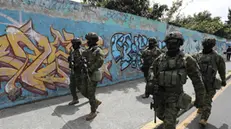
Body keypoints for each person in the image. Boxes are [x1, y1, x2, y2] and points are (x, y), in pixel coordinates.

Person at [147, 31, 206, 129]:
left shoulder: (187, 60)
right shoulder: (161, 58)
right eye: (169, 42)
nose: (172, 44)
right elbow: (152, 69)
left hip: (175, 96)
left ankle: (171, 121)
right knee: (160, 115)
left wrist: (200, 99)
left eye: (175, 42)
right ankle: (171, 119)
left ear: (180, 43)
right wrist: (151, 79)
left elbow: (197, 81)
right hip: (160, 95)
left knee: (169, 125)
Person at [192, 37, 226, 126]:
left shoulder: (217, 57)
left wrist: (223, 79)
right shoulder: (196, 55)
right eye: (206, 44)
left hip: (210, 83)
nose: (207, 46)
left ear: (212, 46)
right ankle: (200, 107)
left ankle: (204, 118)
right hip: (199, 83)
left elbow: (222, 69)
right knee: (199, 97)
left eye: (209, 45)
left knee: (207, 100)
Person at [81, 32, 104, 121]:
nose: (87, 42)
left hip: (93, 75)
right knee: (83, 91)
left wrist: (90, 69)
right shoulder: (89, 49)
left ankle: (93, 111)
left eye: (88, 40)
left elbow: (100, 62)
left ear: (92, 41)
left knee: (91, 93)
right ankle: (95, 102)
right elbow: (83, 55)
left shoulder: (98, 50)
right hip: (86, 74)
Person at [68, 38, 85, 105]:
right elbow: (71, 61)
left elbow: (83, 61)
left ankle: (92, 98)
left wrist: (76, 64)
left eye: (73, 44)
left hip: (80, 72)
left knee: (81, 88)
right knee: (72, 86)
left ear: (77, 44)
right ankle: (75, 99)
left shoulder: (81, 51)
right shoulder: (73, 52)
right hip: (74, 71)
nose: (72, 45)